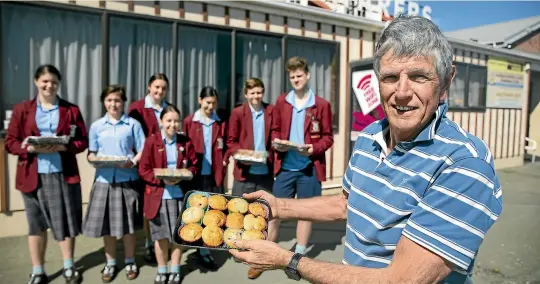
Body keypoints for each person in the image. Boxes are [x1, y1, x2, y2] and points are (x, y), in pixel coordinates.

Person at [230, 16, 503, 284]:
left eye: (419, 76)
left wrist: (288, 260)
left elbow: (402, 280)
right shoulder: (370, 136)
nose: (403, 91)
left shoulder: (466, 164)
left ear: (445, 82)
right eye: (391, 77)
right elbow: (346, 204)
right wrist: (278, 206)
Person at [246, 57, 334, 279]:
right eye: (292, 76)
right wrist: (278, 143)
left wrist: (313, 148)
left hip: (309, 168)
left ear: (307, 75)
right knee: (274, 212)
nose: (296, 79)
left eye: (299, 75)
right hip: (285, 167)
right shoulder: (281, 102)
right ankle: (262, 258)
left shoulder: (321, 105)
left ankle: (297, 260)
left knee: (305, 213)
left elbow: (328, 138)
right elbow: (275, 130)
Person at [5, 65, 88, 284]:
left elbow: (82, 141)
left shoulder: (70, 110)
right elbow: (11, 142)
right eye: (45, 81)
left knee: (66, 223)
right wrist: (30, 149)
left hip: (63, 174)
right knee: (36, 225)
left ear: (58, 84)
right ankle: (38, 270)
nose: (49, 86)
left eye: (53, 82)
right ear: (36, 82)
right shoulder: (22, 109)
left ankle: (69, 267)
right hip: (32, 175)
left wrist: (64, 147)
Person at [83, 85, 145, 282]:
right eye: (110, 100)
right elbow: (91, 153)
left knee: (128, 227)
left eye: (117, 100)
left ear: (123, 102)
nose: (113, 104)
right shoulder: (96, 126)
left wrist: (133, 161)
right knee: (107, 226)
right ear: (104, 102)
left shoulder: (133, 125)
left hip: (128, 180)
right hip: (104, 181)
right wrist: (92, 160)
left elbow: (142, 149)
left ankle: (129, 260)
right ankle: (110, 263)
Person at [138, 105, 198, 284]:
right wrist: (162, 179)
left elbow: (194, 166)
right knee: (160, 236)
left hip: (179, 196)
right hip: (158, 196)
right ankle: (162, 270)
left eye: (176, 121)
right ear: (161, 122)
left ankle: (175, 269)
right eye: (169, 121)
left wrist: (183, 176)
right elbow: (144, 169)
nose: (172, 124)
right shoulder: (151, 141)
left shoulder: (185, 142)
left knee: (177, 236)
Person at [127, 73, 171, 263]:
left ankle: (160, 241)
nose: (160, 91)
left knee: (161, 203)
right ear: (149, 87)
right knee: (148, 205)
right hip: (144, 164)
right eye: (156, 87)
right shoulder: (137, 108)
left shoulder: (168, 108)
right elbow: (130, 135)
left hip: (164, 164)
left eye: (163, 88)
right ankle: (148, 242)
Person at [183, 86, 227, 270]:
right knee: (195, 213)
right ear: (200, 100)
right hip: (195, 175)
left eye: (213, 104)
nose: (210, 107)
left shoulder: (220, 122)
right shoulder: (189, 122)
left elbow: (225, 146)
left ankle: (204, 251)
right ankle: (194, 243)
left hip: (213, 175)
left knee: (210, 214)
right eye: (207, 102)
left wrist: (224, 160)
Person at [225, 78, 275, 196]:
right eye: (252, 93)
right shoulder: (238, 113)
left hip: (265, 172)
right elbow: (231, 141)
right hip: (244, 173)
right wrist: (242, 154)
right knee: (238, 211)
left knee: (264, 211)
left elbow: (276, 136)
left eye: (259, 93)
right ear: (246, 94)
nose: (256, 96)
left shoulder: (271, 111)